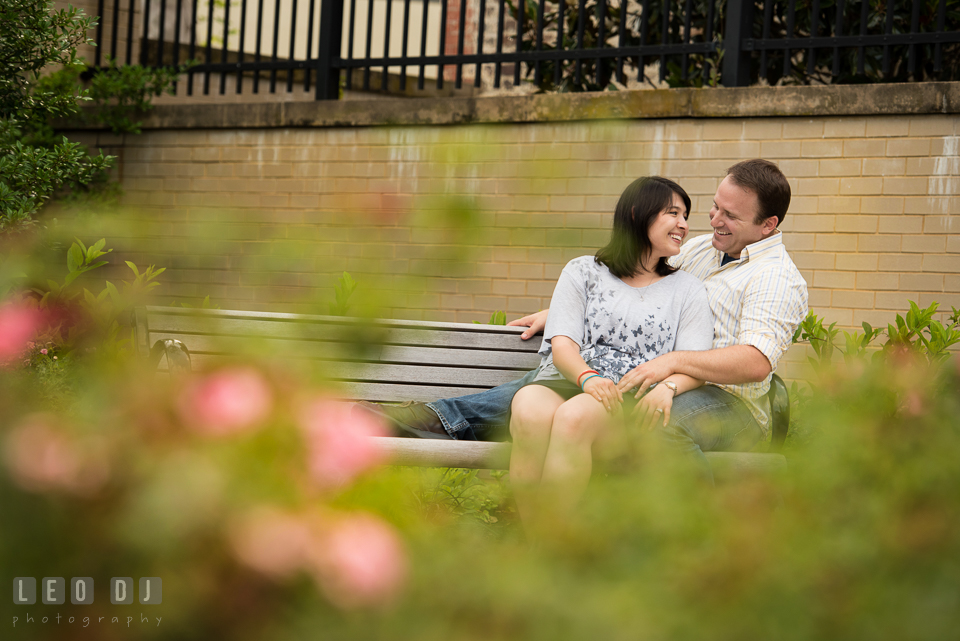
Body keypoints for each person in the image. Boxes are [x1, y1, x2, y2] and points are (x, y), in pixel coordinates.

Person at [359, 159, 808, 483]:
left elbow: (754, 362)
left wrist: (670, 370)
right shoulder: (704, 250)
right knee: (539, 394)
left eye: (729, 215)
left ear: (767, 225)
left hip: (730, 404)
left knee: (649, 425)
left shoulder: (775, 278)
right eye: (713, 207)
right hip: (648, 376)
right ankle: (413, 421)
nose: (712, 221)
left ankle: (695, 551)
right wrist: (562, 313)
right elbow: (643, 284)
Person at [507, 176, 714, 524]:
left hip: (626, 392)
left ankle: (548, 550)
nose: (684, 224)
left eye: (685, 215)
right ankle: (537, 543)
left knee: (574, 419)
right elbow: (562, 345)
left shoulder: (688, 290)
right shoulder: (583, 271)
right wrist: (587, 378)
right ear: (637, 213)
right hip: (572, 377)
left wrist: (667, 387)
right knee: (528, 410)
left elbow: (694, 363)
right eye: (673, 213)